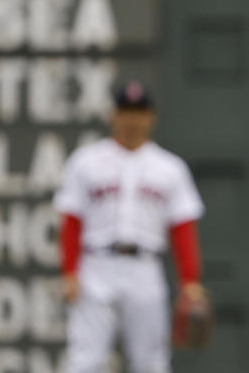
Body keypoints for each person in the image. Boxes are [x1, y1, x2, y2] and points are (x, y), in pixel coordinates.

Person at [54, 80, 207, 373]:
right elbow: (71, 220)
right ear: (113, 115)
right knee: (85, 361)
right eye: (125, 111)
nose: (132, 119)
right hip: (96, 265)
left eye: (138, 112)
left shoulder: (169, 167)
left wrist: (190, 281)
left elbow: (182, 229)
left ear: (151, 117)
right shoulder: (86, 161)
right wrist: (69, 271)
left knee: (152, 363)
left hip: (145, 268)